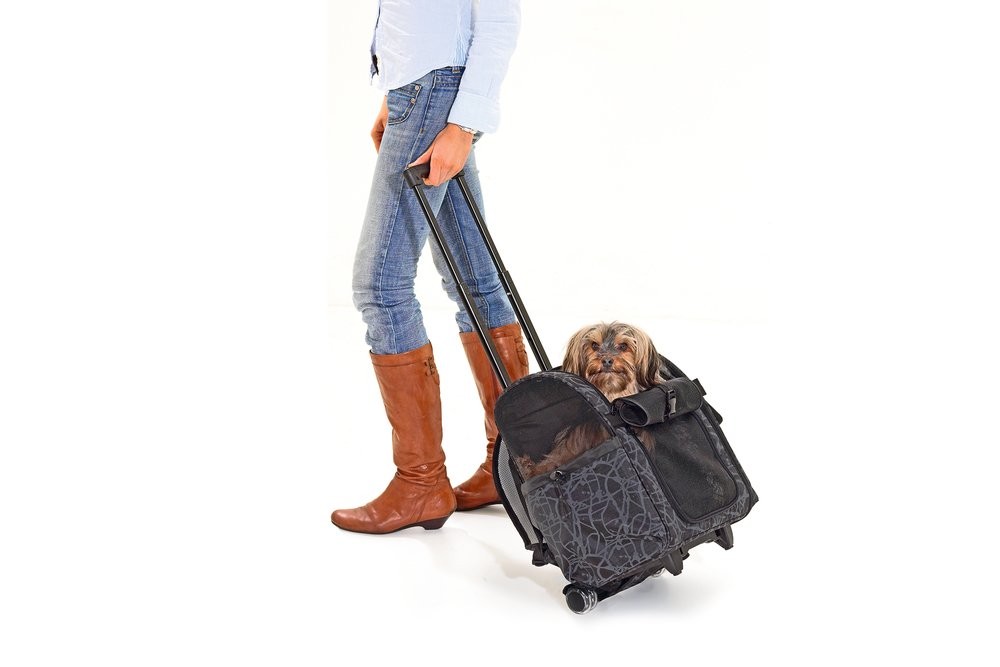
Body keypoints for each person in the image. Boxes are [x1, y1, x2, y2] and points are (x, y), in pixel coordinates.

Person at [331, 0, 528, 534]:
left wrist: (460, 122)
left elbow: (499, 18)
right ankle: (514, 463)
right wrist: (395, 94)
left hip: (434, 95)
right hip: (419, 94)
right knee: (475, 282)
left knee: (380, 287)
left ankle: (420, 483)